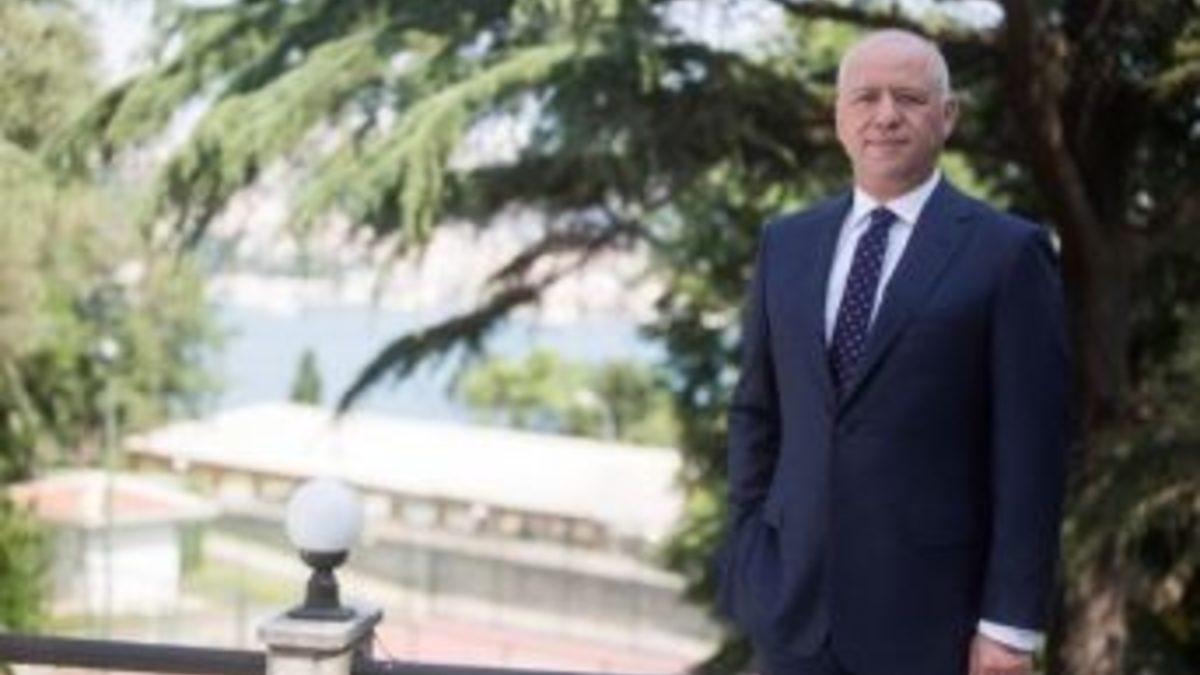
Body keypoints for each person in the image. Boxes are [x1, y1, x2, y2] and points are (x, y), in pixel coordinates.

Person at [716, 29, 1069, 675]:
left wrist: (1009, 626)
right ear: (839, 116)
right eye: (865, 97)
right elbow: (756, 412)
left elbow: (1031, 455)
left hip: (933, 623)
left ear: (947, 116)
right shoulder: (786, 244)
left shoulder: (1009, 254)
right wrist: (748, 553)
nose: (885, 115)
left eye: (908, 97)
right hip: (793, 615)